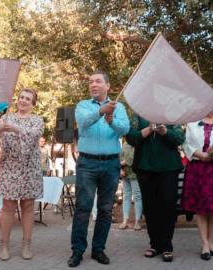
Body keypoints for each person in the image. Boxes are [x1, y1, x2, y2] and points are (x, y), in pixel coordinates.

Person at [68, 71, 130, 267]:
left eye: (97, 81)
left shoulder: (118, 107)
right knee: (83, 208)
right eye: (90, 82)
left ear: (107, 86)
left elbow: (125, 130)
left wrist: (112, 121)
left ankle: (98, 249)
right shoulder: (82, 106)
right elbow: (83, 124)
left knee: (105, 209)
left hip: (111, 163)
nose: (93, 84)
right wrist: (101, 112)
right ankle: (77, 250)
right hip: (87, 163)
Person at [0, 88, 44, 260]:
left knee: (28, 207)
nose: (23, 100)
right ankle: (4, 245)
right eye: (21, 97)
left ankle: (26, 244)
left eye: (27, 99)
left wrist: (15, 129)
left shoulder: (37, 120)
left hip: (30, 169)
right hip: (9, 167)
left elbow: (33, 135)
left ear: (33, 103)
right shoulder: (7, 117)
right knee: (8, 208)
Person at [126, 116, 185, 262]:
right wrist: (147, 130)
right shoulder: (139, 114)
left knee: (168, 206)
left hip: (169, 168)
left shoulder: (172, 114)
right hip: (145, 167)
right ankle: (154, 244)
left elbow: (179, 138)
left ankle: (166, 246)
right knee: (150, 207)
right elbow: (130, 138)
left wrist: (165, 132)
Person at [181, 102, 213, 261]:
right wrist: (200, 154)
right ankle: (204, 244)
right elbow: (186, 144)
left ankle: (211, 242)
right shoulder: (192, 123)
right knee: (201, 208)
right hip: (198, 168)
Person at [118, 140, 142, 231]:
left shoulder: (138, 143)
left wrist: (123, 163)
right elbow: (120, 157)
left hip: (135, 174)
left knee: (137, 196)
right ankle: (125, 220)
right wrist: (120, 168)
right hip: (125, 174)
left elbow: (133, 158)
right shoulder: (125, 143)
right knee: (126, 196)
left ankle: (137, 221)